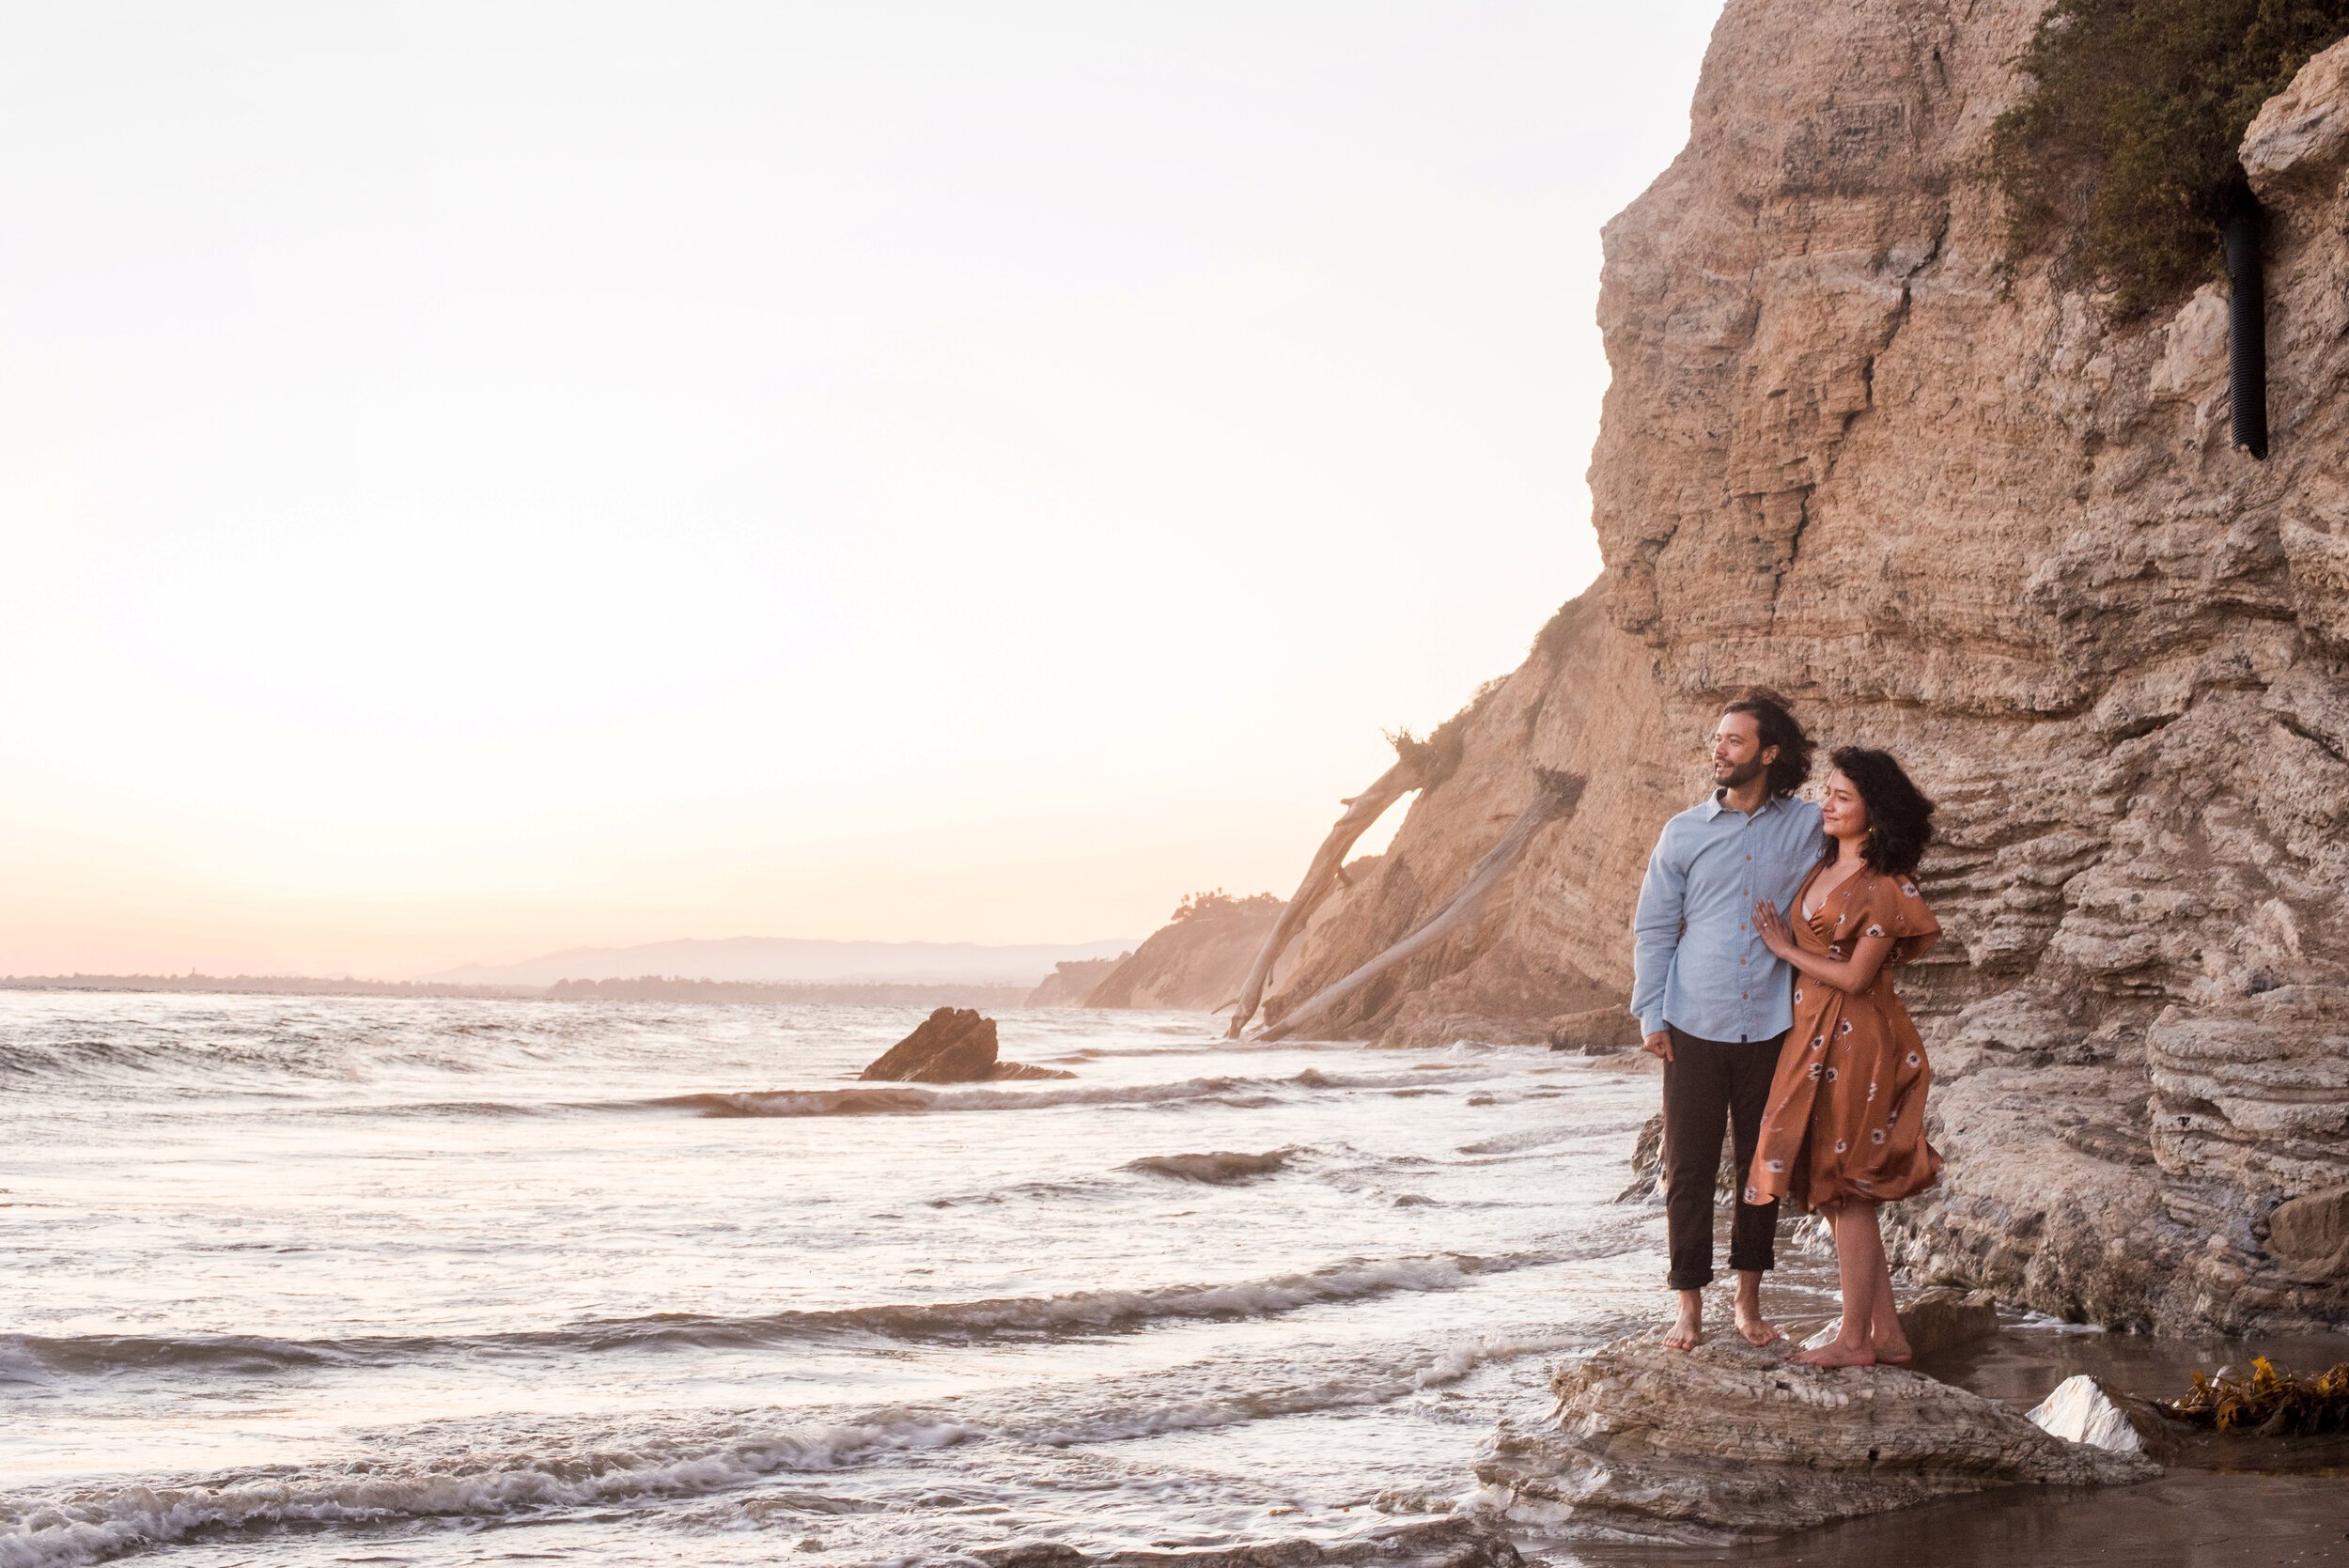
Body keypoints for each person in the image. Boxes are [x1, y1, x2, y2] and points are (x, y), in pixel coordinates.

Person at [1631, 691, 1823, 1351]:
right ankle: (1688, 1305)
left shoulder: (1805, 826)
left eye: (1735, 740)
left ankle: (1747, 1301)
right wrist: (1650, 1012)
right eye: (1718, 738)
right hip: (1691, 1019)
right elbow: (1654, 927)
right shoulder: (1682, 832)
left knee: (1761, 1165)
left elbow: (1862, 836)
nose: (1720, 749)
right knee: (1688, 1167)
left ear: (1770, 753)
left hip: (1771, 1022)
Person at [1746, 747, 1941, 1368]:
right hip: (1810, 1038)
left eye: (1842, 797)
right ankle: (1885, 1333)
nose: (1825, 804)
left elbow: (1857, 977)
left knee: (1852, 1186)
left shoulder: (1886, 885)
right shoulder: (1824, 864)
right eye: (1827, 791)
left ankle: (1854, 1338)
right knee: (1830, 1189)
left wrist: (1782, 947)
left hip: (1860, 1041)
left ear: (1874, 814)